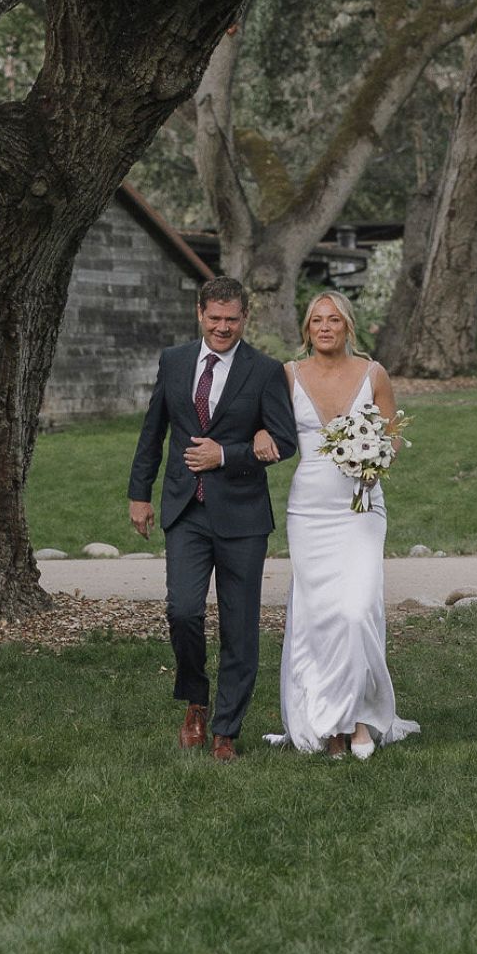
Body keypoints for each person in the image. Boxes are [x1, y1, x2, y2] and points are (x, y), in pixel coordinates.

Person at [127, 275, 298, 759]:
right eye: (215, 318)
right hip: (186, 509)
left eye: (233, 319)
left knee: (240, 625)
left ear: (245, 318)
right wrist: (139, 493)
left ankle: (226, 728)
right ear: (200, 313)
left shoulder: (263, 371)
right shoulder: (175, 361)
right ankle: (196, 700)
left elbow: (283, 441)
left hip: (242, 515)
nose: (223, 327)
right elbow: (153, 431)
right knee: (182, 611)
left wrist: (227, 455)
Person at [264, 288, 419, 759]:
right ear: (307, 330)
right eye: (316, 321)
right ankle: (332, 725)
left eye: (333, 320)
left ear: (348, 325)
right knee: (318, 618)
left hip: (361, 508)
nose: (325, 328)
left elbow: (392, 436)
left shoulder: (373, 374)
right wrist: (256, 432)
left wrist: (374, 454)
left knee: (356, 612)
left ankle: (360, 717)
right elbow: (265, 424)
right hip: (308, 511)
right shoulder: (288, 375)